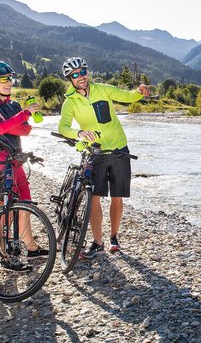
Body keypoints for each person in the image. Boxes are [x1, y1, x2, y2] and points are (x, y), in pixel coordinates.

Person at [57, 56, 149, 258]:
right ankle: (98, 242)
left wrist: (139, 93)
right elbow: (63, 127)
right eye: (75, 74)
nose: (81, 77)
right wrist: (78, 134)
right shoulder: (70, 102)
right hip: (94, 154)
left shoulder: (103, 89)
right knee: (94, 198)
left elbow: (127, 96)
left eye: (83, 72)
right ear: (70, 78)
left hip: (119, 150)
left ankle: (114, 238)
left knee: (117, 196)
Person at [0, 61, 48, 270]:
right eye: (4, 79)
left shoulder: (14, 105)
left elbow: (25, 131)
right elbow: (1, 127)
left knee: (25, 204)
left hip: (16, 161)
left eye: (10, 79)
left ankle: (31, 247)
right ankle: (4, 254)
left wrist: (14, 122)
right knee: (6, 209)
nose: (9, 83)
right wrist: (22, 117)